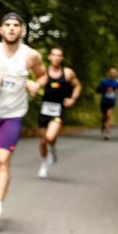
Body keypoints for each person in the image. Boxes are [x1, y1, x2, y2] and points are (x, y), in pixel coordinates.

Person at [0, 12, 45, 228]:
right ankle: (2, 180)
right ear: (1, 29)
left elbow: (42, 76)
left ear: (21, 30)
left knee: (3, 160)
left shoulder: (31, 55)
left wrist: (35, 84)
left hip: (13, 114)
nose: (12, 28)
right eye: (8, 25)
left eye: (16, 25)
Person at [34, 46, 82, 178]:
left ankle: (52, 149)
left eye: (59, 55)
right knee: (43, 141)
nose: (56, 57)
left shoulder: (67, 73)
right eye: (54, 55)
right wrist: (33, 88)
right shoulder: (44, 72)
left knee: (50, 137)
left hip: (58, 110)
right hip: (44, 110)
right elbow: (37, 84)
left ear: (62, 58)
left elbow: (77, 86)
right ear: (50, 57)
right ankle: (44, 163)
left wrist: (72, 99)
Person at [96, 67, 118, 139]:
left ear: (116, 75)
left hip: (111, 101)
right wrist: (105, 89)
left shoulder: (116, 82)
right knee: (105, 116)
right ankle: (103, 125)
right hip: (104, 101)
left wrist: (116, 93)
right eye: (111, 73)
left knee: (108, 116)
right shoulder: (104, 81)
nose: (113, 74)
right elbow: (97, 90)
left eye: (114, 73)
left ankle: (107, 134)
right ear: (109, 74)